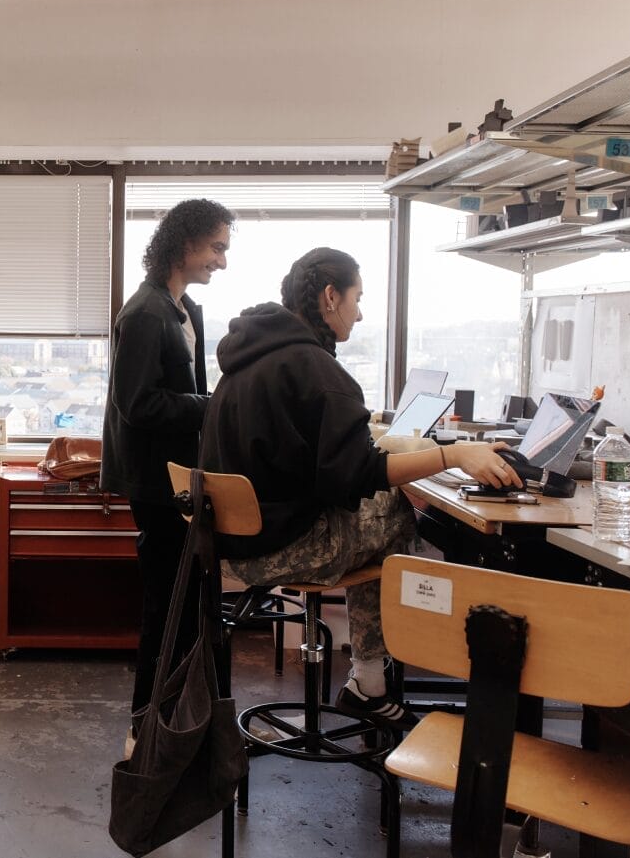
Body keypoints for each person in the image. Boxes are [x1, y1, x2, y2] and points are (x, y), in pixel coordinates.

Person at [200, 246, 521, 728]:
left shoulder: (248, 356)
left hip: (227, 545)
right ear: (331, 297)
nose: (361, 311)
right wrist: (455, 454)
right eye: (357, 297)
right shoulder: (318, 371)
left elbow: (307, 460)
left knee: (383, 521)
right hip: (277, 548)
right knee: (396, 515)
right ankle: (386, 671)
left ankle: (373, 677)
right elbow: (356, 478)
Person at [100, 198, 233, 752]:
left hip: (180, 477)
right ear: (186, 245)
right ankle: (145, 726)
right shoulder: (146, 313)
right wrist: (210, 405)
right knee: (165, 605)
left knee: (187, 606)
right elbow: (138, 404)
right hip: (156, 484)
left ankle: (179, 718)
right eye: (217, 248)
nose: (222, 262)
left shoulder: (183, 309)